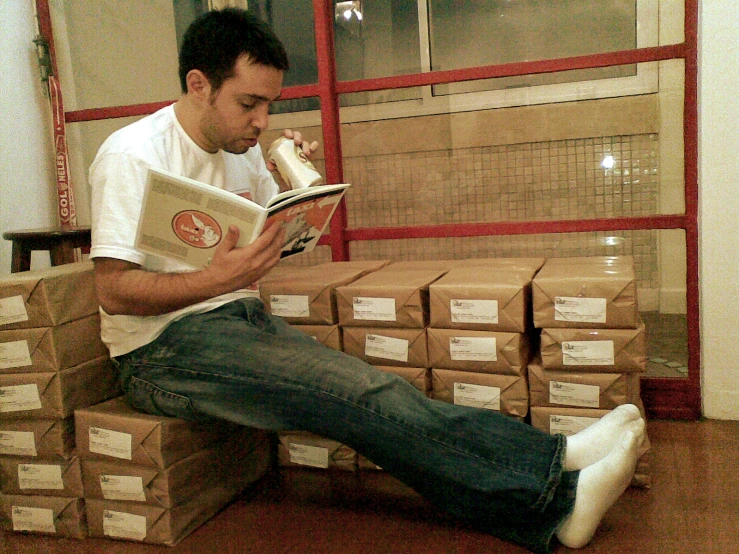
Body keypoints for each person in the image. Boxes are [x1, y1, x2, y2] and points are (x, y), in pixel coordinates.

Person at [89, 8, 646, 553]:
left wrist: (294, 191)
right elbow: (113, 291)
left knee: (373, 388)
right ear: (199, 84)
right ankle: (555, 503)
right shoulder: (133, 156)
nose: (261, 121)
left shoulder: (243, 152)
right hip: (159, 352)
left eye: (269, 105)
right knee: (360, 394)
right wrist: (215, 280)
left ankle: (553, 460)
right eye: (248, 103)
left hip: (236, 320)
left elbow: (265, 243)